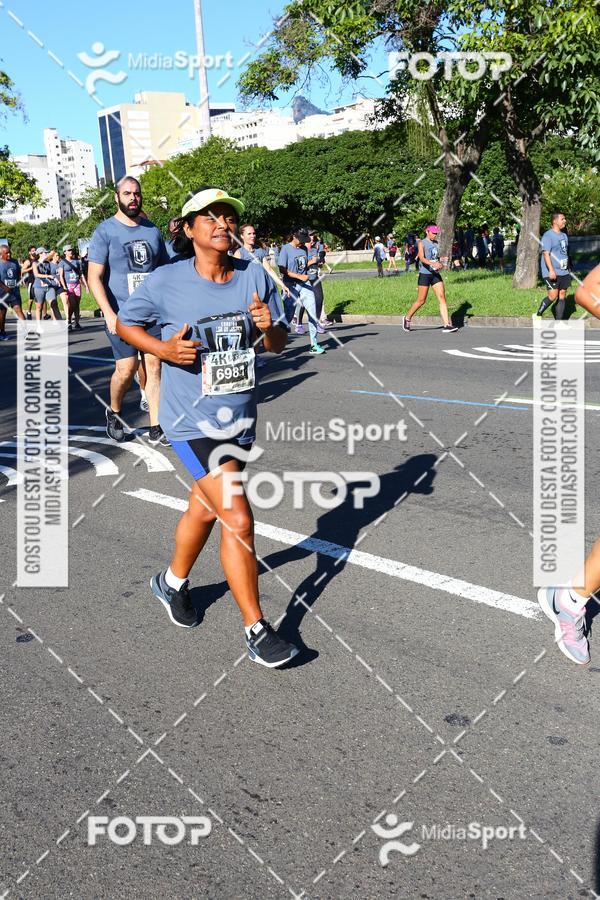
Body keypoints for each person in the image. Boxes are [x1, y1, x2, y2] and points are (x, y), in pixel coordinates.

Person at [116, 187, 299, 668]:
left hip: (238, 416)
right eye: (210, 216)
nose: (222, 222)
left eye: (228, 216)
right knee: (237, 517)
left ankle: (171, 582)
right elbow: (125, 325)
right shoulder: (165, 281)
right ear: (190, 228)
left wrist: (268, 326)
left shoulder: (252, 274)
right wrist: (161, 350)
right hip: (188, 420)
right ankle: (257, 628)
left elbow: (277, 344)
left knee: (204, 506)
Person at [87, 175, 170, 444]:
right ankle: (114, 411)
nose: (133, 198)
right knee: (127, 369)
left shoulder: (152, 230)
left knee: (154, 366)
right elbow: (94, 277)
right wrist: (109, 314)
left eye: (136, 193)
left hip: (151, 314)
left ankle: (157, 426)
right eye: (127, 193)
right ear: (117, 197)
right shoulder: (105, 231)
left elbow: (164, 272)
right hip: (121, 314)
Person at [402, 223, 458, 334]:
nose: (435, 235)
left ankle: (447, 325)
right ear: (427, 231)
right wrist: (433, 263)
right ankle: (407, 318)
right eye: (433, 233)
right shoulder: (422, 243)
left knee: (442, 297)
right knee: (421, 300)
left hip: (435, 274)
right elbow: (422, 258)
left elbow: (435, 257)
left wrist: (441, 262)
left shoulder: (436, 243)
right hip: (425, 274)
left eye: (436, 233)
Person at [278, 229, 325, 354]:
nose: (303, 243)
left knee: (313, 312)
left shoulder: (304, 248)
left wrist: (314, 261)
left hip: (305, 284)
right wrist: (300, 277)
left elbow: (304, 264)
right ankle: (276, 338)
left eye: (305, 240)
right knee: (288, 315)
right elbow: (282, 269)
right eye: (301, 240)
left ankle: (314, 344)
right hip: (290, 285)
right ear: (294, 236)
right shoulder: (286, 249)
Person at [536, 211, 571, 319]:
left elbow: (564, 252)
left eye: (564, 219)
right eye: (562, 219)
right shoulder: (548, 235)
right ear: (555, 221)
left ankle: (559, 323)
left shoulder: (564, 235)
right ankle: (538, 315)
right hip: (551, 271)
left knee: (562, 294)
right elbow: (546, 254)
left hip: (564, 271)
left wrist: (569, 266)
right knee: (553, 296)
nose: (564, 221)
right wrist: (551, 270)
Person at [57, 245, 87, 330]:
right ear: (65, 252)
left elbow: (81, 274)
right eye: (68, 250)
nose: (71, 251)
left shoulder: (77, 262)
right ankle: (69, 320)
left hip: (77, 284)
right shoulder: (62, 263)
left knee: (77, 304)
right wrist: (64, 286)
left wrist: (86, 285)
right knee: (72, 304)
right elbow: (61, 276)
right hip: (69, 285)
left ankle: (77, 323)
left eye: (71, 250)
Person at [0, 244, 25, 337]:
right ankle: (2, 332)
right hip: (2, 293)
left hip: (14, 293)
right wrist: (5, 287)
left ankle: (25, 331)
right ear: (1, 254)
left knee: (19, 310)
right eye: (6, 253)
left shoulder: (14, 262)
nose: (9, 254)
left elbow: (18, 274)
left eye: (10, 252)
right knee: (2, 313)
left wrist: (18, 283)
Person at [32, 248, 62, 321]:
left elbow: (51, 274)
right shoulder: (35, 263)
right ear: (40, 254)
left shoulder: (47, 263)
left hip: (49, 286)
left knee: (54, 303)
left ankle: (61, 323)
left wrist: (55, 279)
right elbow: (36, 274)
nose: (47, 254)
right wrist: (47, 276)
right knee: (39, 307)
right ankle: (39, 326)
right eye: (45, 252)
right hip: (38, 287)